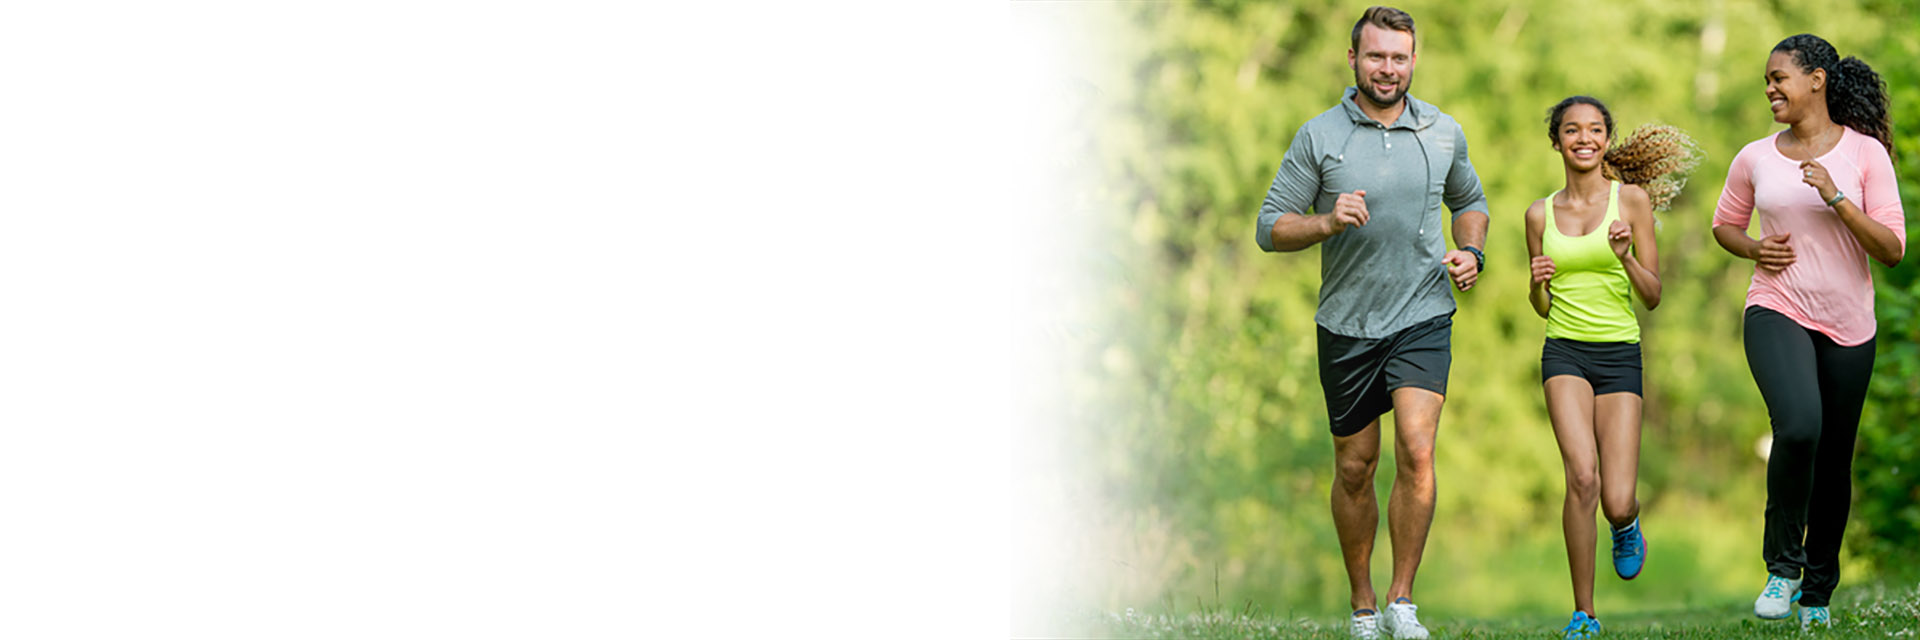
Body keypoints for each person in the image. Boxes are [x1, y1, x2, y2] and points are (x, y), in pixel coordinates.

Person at [1254, 6, 1489, 639]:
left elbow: (1469, 201)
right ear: (1353, 59)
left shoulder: (1443, 131)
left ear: (1414, 61)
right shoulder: (1319, 135)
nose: (1388, 68)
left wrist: (1472, 252)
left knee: (1418, 448)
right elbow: (1269, 228)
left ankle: (1401, 601)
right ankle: (1362, 606)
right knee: (1355, 466)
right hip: (1347, 322)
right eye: (1376, 56)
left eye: (1400, 57)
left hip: (1423, 312)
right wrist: (1327, 221)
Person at [1711, 33, 1906, 631]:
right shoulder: (1755, 156)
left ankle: (1817, 595)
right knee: (1798, 426)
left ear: (1817, 79)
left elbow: (1893, 249)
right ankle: (1782, 565)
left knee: (1835, 460)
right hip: (1777, 306)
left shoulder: (1866, 155)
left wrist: (1838, 198)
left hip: (1850, 324)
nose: (1770, 89)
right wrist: (1754, 248)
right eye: (1767, 80)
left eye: (1780, 78)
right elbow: (1725, 226)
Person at [1524, 96, 1701, 639]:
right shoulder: (1538, 213)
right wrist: (1536, 282)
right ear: (1556, 141)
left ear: (1607, 139)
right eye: (1572, 130)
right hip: (1564, 352)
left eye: (1595, 130)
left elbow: (1653, 296)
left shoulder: (1632, 202)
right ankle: (1584, 612)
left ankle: (1626, 523)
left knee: (1614, 496)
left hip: (1619, 352)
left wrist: (1625, 256)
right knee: (1581, 476)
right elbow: (1541, 306)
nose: (1584, 138)